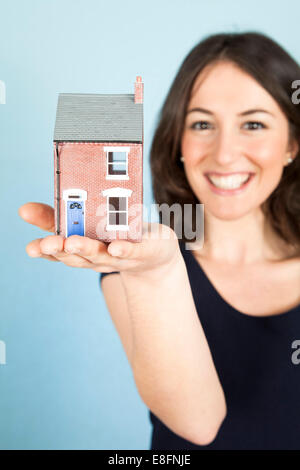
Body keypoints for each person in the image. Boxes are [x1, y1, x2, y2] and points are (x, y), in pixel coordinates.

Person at [19, 31, 300, 450]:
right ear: (178, 143)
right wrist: (159, 273)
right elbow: (198, 425)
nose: (225, 154)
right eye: (202, 124)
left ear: (292, 145)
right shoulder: (132, 265)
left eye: (254, 124)